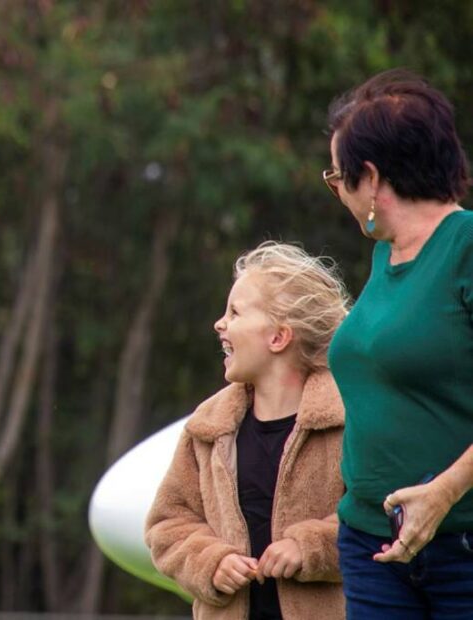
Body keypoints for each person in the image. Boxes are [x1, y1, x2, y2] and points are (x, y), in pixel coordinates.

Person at [324, 69, 473, 618]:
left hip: (461, 548)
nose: (336, 191)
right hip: (371, 546)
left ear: (369, 177)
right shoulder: (385, 254)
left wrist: (445, 491)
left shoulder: (465, 245)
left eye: (336, 177)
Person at [145, 242, 350, 619]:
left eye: (235, 312)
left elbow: (379, 517)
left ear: (278, 337)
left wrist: (309, 547)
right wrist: (211, 562)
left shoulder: (349, 421)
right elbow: (167, 523)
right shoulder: (206, 426)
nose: (219, 323)